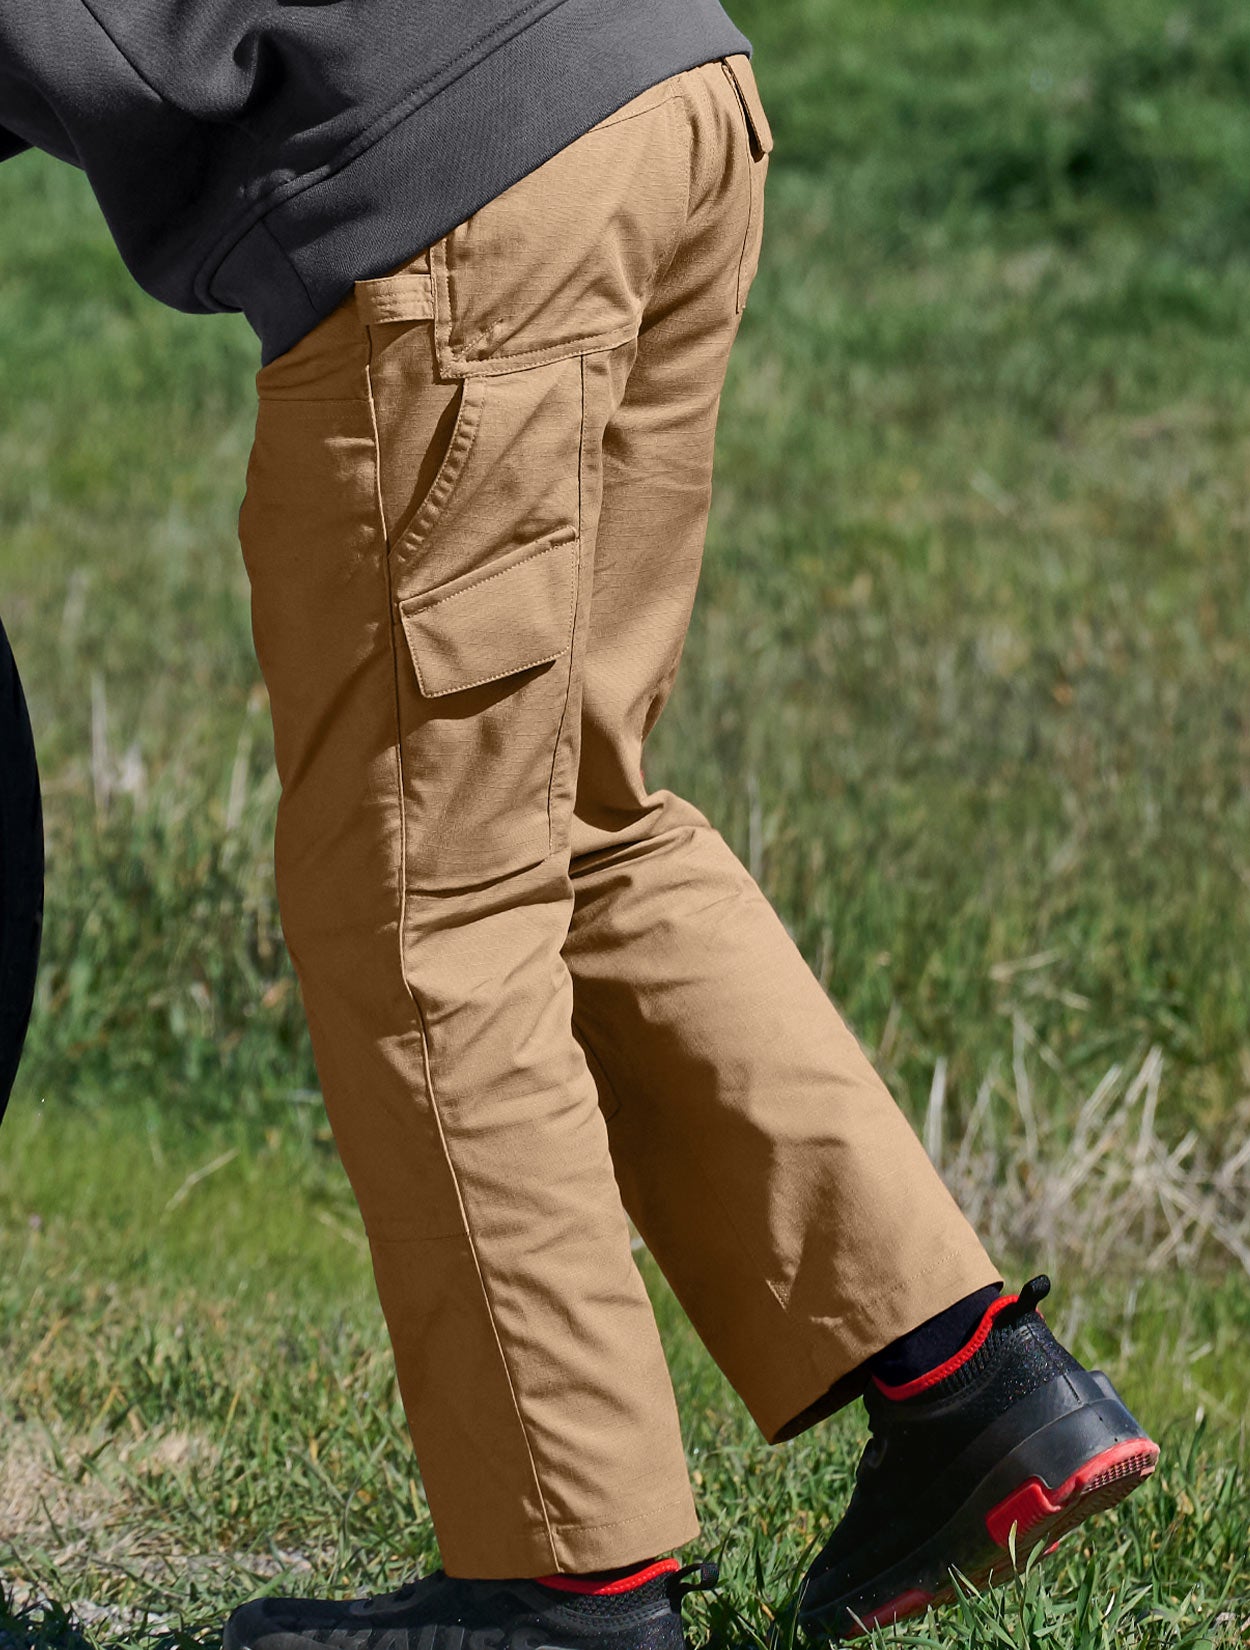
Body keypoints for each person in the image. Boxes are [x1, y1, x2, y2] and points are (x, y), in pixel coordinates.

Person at [0, 3, 1159, 1642]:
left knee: (420, 904)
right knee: (573, 819)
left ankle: (567, 1582)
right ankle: (969, 1386)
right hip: (656, 83)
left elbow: (103, 42)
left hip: (466, 197)